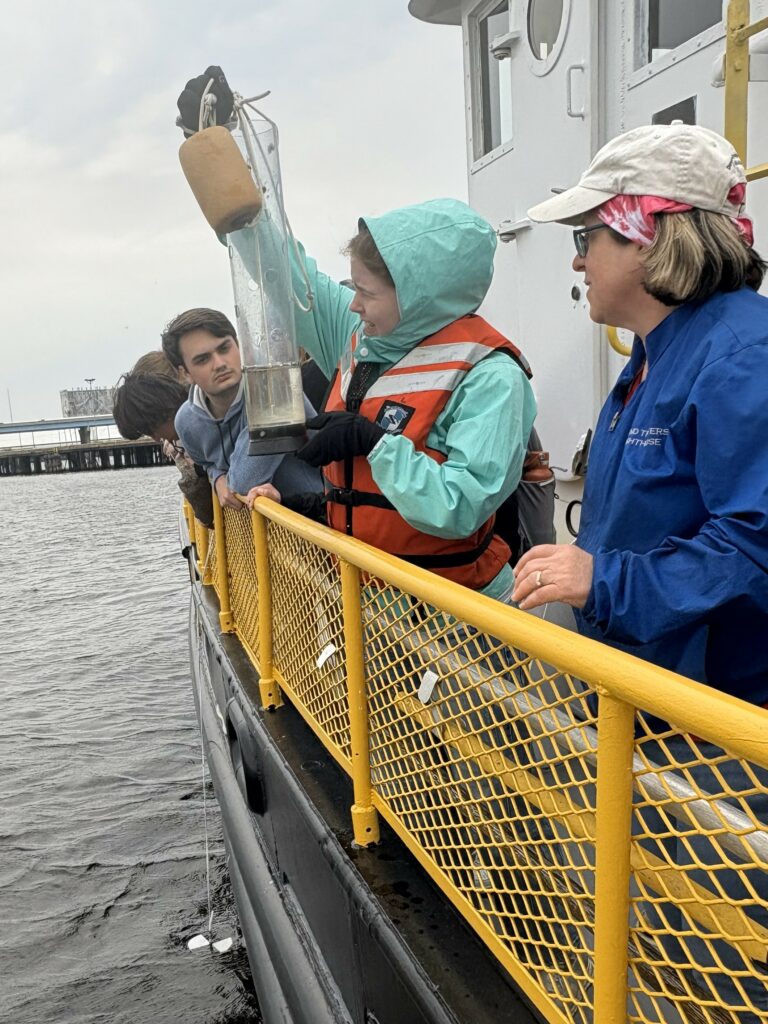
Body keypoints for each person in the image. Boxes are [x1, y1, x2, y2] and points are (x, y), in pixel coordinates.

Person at [514, 122, 768, 1021]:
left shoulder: (740, 353)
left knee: (713, 940)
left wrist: (603, 582)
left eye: (588, 236)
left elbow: (755, 546)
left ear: (649, 235)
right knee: (659, 906)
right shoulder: (661, 355)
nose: (577, 259)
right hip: (656, 699)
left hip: (721, 725)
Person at [248, 198, 537, 600]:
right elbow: (291, 280)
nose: (354, 304)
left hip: (450, 617)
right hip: (367, 605)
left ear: (419, 297)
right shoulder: (360, 336)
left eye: (366, 292)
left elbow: (461, 505)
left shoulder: (492, 378)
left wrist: (374, 442)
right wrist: (242, 212)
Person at [161, 307, 321, 509]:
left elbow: (244, 482)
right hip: (264, 525)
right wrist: (217, 476)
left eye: (224, 349)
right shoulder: (186, 422)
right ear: (185, 374)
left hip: (320, 519)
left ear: (239, 346)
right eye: (203, 359)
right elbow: (206, 463)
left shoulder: (276, 393)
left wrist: (222, 478)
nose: (219, 364)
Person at [112, 355, 215, 527]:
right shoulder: (204, 408)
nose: (156, 438)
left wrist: (186, 465)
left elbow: (206, 516)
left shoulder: (200, 421)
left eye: (151, 429)